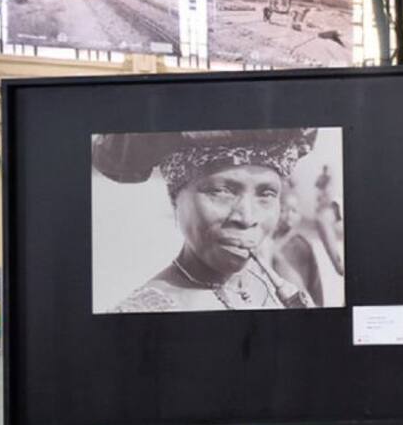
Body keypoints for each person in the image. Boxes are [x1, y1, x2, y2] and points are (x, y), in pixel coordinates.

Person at [91, 129, 318, 313]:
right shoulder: (140, 313)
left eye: (267, 194)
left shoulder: (284, 286)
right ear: (174, 199)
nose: (247, 218)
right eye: (221, 191)